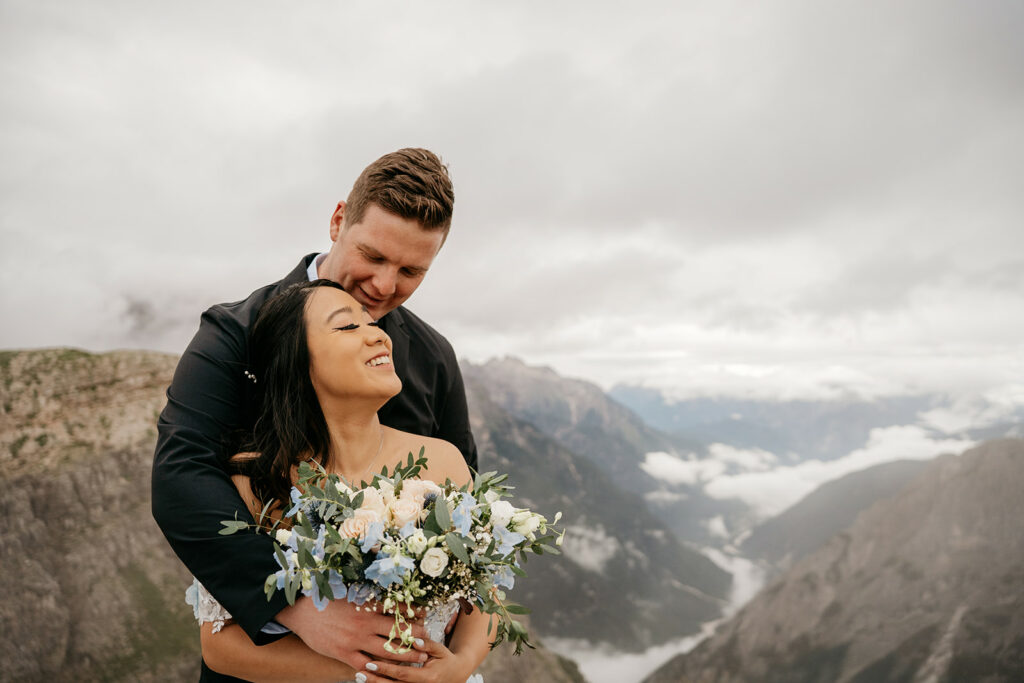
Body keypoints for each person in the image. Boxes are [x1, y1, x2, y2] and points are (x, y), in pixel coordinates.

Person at [152, 149, 478, 680]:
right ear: (337, 221)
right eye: (372, 255)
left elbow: (467, 526)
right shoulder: (235, 333)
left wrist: (460, 662)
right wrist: (299, 610)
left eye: (411, 270)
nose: (384, 285)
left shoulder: (434, 357)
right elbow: (180, 473)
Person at [190, 279, 491, 682]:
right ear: (298, 361)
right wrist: (369, 676)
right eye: (348, 327)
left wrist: (459, 666)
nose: (378, 335)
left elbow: (483, 597)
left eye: (371, 323)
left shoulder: (443, 461)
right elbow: (220, 645)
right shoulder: (257, 479)